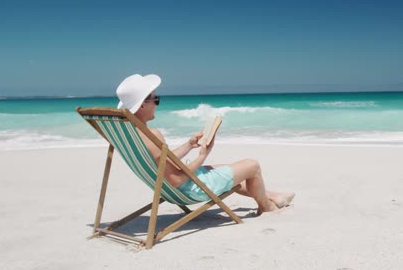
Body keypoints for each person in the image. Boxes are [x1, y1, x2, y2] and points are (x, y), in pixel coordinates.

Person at [116, 74, 294, 215]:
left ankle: (274, 196)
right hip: (190, 190)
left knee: (226, 170)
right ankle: (266, 207)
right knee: (252, 166)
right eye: (156, 99)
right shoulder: (152, 135)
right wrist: (203, 155)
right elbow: (175, 179)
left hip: (168, 189)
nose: (157, 104)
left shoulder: (132, 134)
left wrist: (189, 144)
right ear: (141, 106)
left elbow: (161, 161)